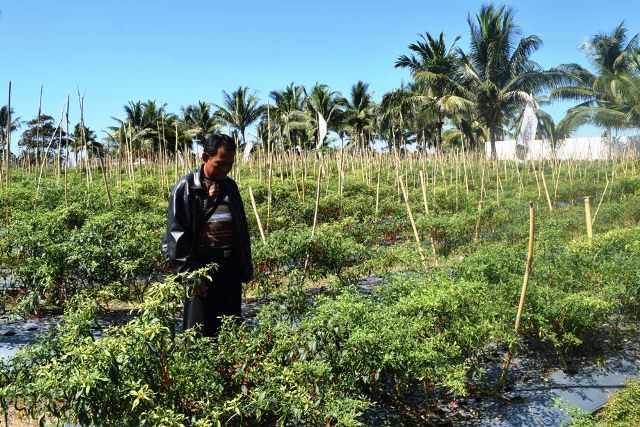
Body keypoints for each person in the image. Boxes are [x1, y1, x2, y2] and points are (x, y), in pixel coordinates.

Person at [162, 134, 252, 336]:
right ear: (204, 157)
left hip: (229, 268)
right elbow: (177, 236)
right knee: (199, 332)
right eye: (220, 163)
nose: (225, 169)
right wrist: (192, 275)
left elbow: (241, 229)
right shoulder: (185, 188)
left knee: (229, 328)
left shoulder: (230, 186)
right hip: (201, 268)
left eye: (230, 164)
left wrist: (244, 264)